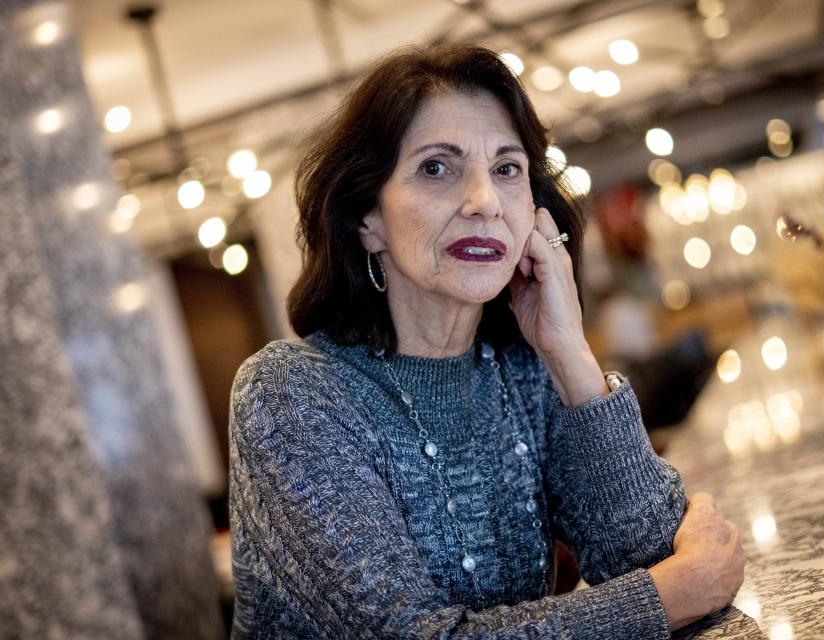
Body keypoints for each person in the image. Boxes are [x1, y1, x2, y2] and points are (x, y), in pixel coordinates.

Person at [228, 44, 745, 639]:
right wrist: (667, 595)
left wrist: (571, 355)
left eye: (507, 169)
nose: (484, 202)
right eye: (436, 168)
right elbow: (419, 636)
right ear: (368, 221)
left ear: (535, 212)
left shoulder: (524, 371)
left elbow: (651, 556)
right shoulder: (291, 394)